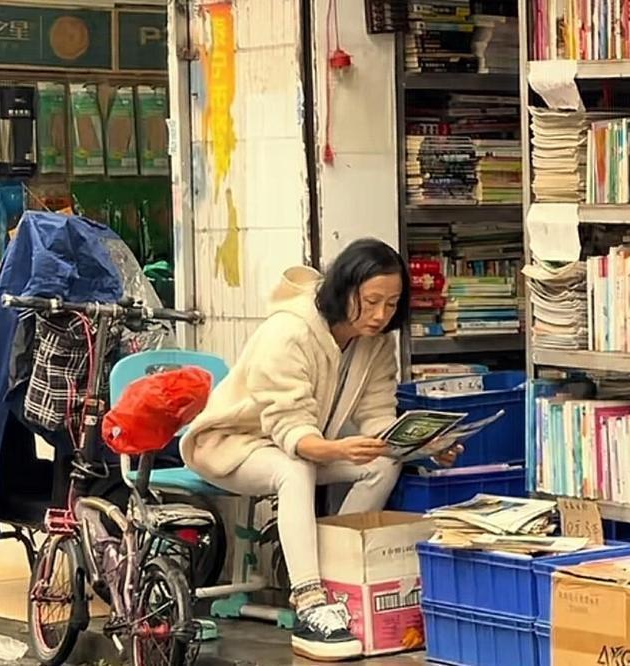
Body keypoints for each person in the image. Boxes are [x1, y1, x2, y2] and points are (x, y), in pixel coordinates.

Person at [180, 238, 459, 661]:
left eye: (392, 304)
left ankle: (339, 576)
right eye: (371, 301)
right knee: (295, 469)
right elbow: (291, 430)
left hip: (304, 444)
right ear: (344, 290)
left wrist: (422, 445)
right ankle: (310, 602)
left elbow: (377, 416)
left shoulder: (375, 342)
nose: (380, 315)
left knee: (382, 465)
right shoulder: (288, 331)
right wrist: (336, 448)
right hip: (232, 444)